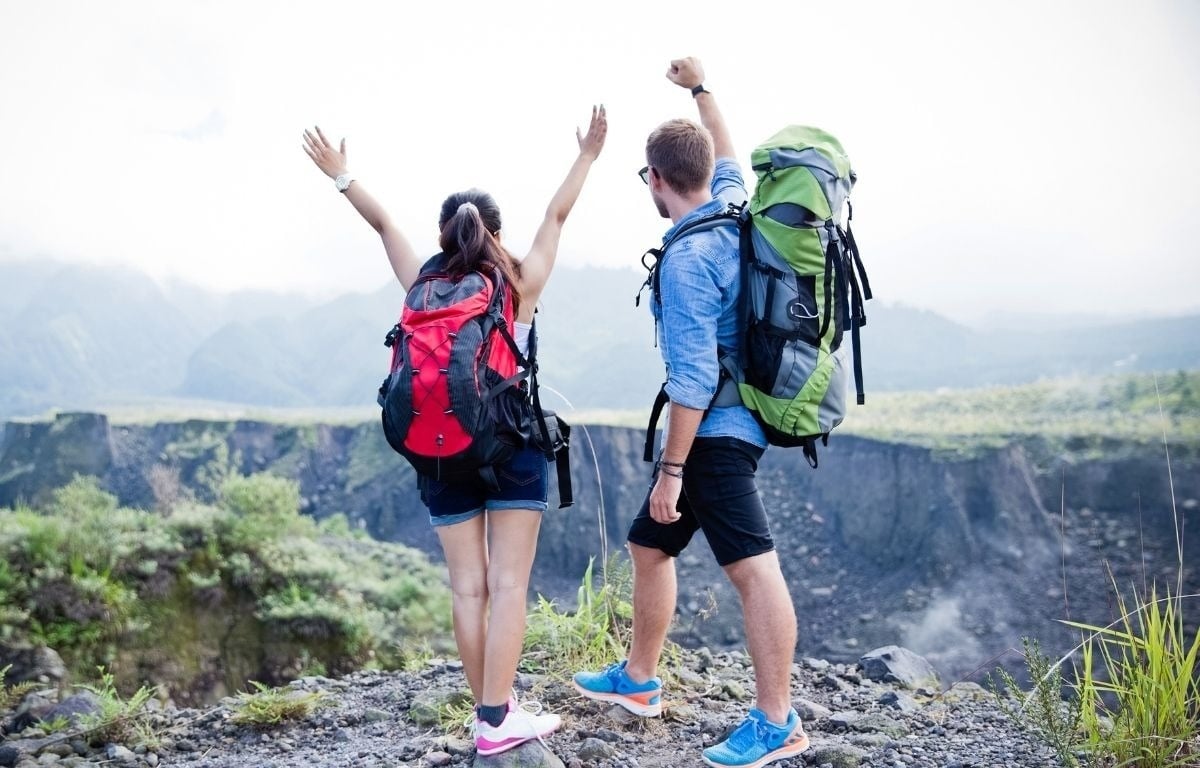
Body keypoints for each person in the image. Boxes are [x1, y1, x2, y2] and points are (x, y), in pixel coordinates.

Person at [303, 105, 607, 755]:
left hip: (437, 451)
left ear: (444, 237)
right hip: (511, 446)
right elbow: (556, 217)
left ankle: (489, 712)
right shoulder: (517, 281)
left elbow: (384, 222)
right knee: (508, 586)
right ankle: (498, 720)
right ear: (493, 233)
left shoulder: (424, 282)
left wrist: (341, 175)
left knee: (468, 587)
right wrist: (586, 156)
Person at [572, 60, 808, 768]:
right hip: (742, 417)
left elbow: (694, 379)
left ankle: (778, 721)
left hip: (715, 435)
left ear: (654, 180)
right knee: (651, 546)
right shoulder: (735, 202)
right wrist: (702, 89)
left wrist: (672, 470)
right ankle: (639, 680)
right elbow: (726, 144)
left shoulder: (684, 260)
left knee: (753, 571)